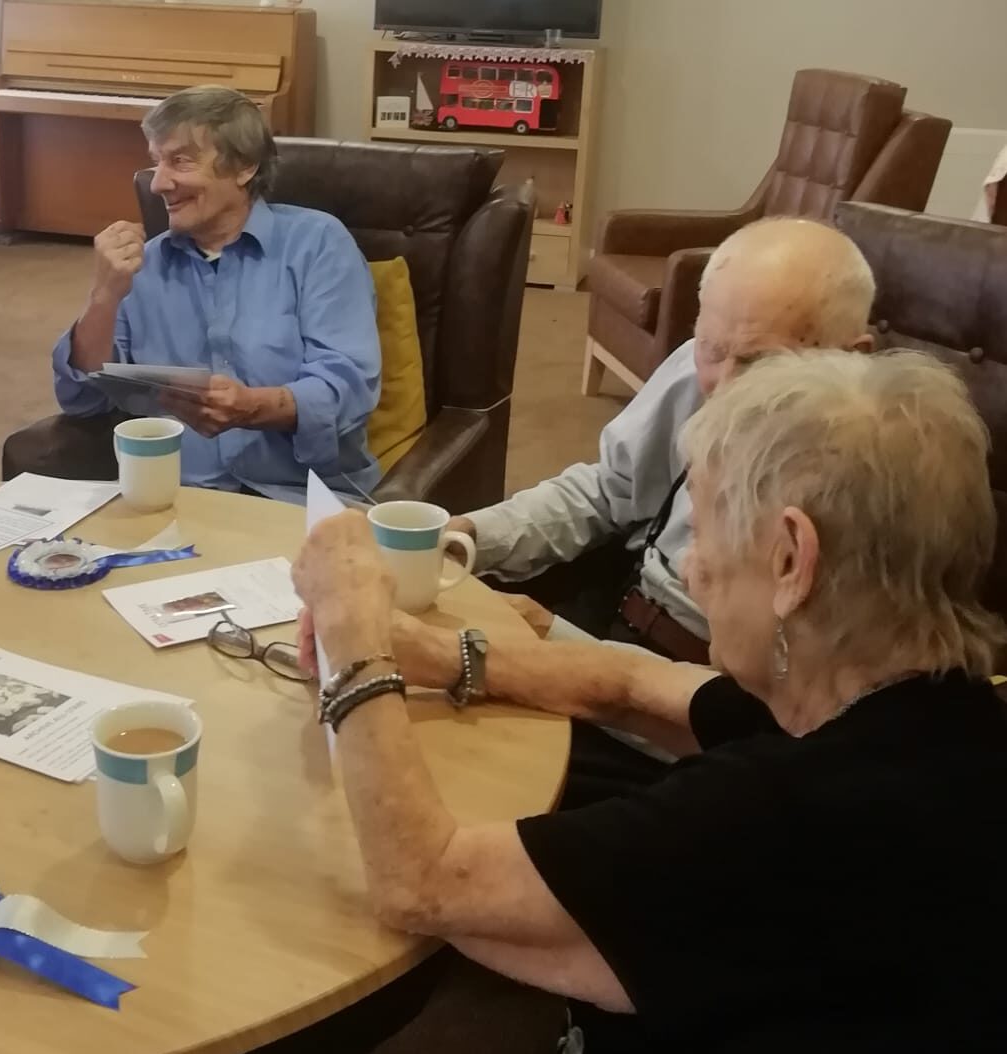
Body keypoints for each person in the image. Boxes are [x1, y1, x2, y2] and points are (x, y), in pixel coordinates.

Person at [290, 349, 1007, 1051]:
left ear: (792, 560)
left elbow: (421, 882)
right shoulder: (933, 709)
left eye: (710, 535)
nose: (690, 572)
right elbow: (640, 685)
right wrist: (436, 653)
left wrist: (353, 623)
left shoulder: (775, 814)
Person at [449, 218, 876, 660]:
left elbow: (758, 705)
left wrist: (558, 648)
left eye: (761, 363)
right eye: (710, 348)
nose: (723, 387)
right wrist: (473, 534)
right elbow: (608, 491)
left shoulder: (874, 501)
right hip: (616, 605)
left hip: (696, 683)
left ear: (850, 357)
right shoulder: (693, 374)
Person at [52, 85, 381, 502]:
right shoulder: (143, 264)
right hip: (176, 496)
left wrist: (253, 407)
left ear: (243, 167)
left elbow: (348, 386)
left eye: (180, 161)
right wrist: (103, 296)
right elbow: (81, 399)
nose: (158, 184)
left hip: (298, 498)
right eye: (156, 162)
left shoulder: (317, 243)